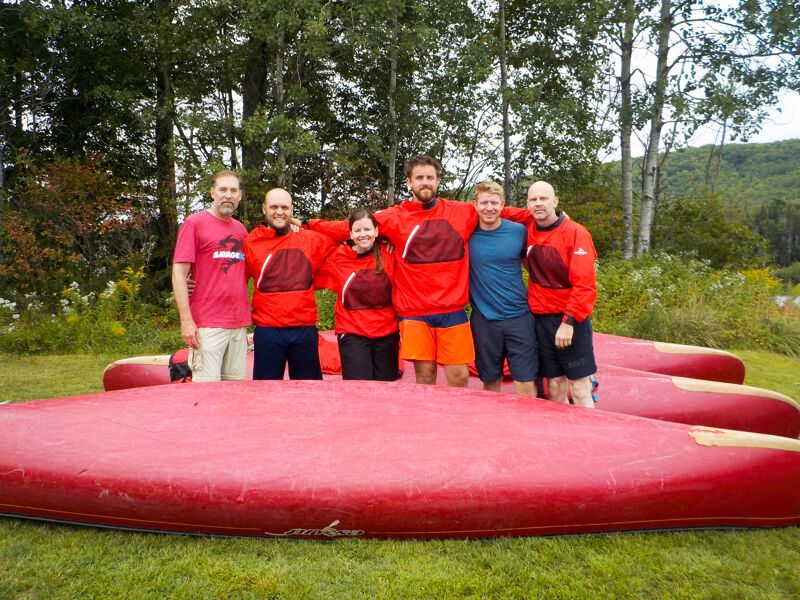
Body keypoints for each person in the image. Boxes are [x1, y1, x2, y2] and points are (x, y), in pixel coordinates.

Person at [306, 156, 478, 388]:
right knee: (425, 377)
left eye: (430, 178)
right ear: (409, 181)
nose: (425, 182)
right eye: (419, 178)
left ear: (438, 180)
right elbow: (350, 228)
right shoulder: (393, 217)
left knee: (459, 377)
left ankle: (456, 422)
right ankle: (428, 422)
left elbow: (497, 212)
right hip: (415, 312)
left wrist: (536, 214)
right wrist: (307, 223)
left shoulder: (464, 212)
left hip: (453, 308)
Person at [243, 188, 338, 380]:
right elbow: (232, 279)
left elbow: (349, 241)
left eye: (284, 207)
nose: (279, 212)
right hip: (268, 330)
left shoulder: (310, 239)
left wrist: (309, 224)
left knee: (308, 392)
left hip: (303, 328)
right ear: (264, 209)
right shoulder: (250, 243)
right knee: (266, 392)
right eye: (274, 207)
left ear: (292, 210)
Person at [519, 181, 598, 408]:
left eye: (543, 199)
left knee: (580, 388)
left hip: (570, 319)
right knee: (554, 386)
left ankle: (588, 438)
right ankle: (564, 439)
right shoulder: (527, 228)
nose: (538, 203)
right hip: (540, 318)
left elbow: (585, 285)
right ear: (527, 205)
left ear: (555, 201)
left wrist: (569, 321)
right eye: (533, 200)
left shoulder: (575, 233)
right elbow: (498, 210)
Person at [171, 170, 251, 382]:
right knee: (206, 394)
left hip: (238, 324)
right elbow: (179, 273)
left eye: (233, 190)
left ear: (240, 195)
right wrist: (186, 321)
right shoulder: (195, 223)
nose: (228, 195)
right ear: (212, 192)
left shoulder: (241, 230)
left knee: (235, 394)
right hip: (207, 324)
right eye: (223, 189)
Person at [313, 207, 400, 381]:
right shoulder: (338, 257)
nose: (363, 234)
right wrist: (306, 224)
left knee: (387, 393)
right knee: (358, 391)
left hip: (386, 334)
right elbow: (314, 241)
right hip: (353, 333)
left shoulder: (389, 253)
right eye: (357, 230)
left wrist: (388, 239)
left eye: (367, 229)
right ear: (350, 234)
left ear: (376, 230)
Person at [468, 181, 538, 396]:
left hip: (520, 317)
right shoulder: (466, 234)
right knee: (490, 383)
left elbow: (533, 267)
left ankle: (526, 427)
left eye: (494, 203)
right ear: (475, 205)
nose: (489, 208)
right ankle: (495, 428)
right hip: (484, 320)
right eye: (484, 203)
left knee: (525, 383)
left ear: (502, 205)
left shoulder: (518, 231)